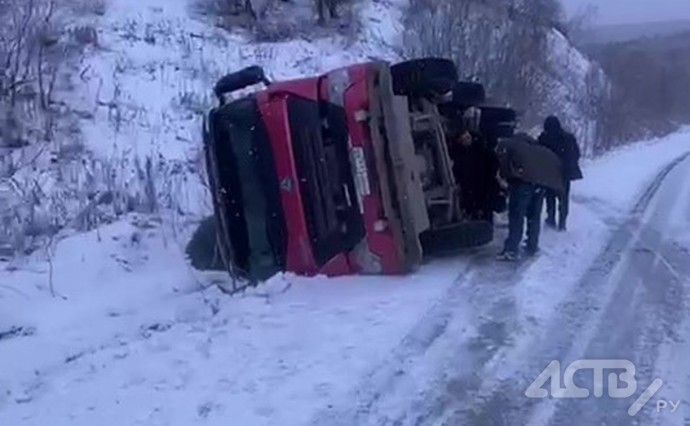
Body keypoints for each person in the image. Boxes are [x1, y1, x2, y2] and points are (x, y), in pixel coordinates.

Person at [495, 133, 564, 261]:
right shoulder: (540, 150)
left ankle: (511, 249)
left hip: (522, 184)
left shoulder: (510, 144)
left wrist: (505, 179)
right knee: (534, 216)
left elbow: (503, 163)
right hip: (539, 186)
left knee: (516, 215)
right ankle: (532, 246)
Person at [538, 116, 583, 231]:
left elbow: (538, 155)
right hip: (564, 173)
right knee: (563, 199)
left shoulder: (543, 138)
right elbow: (576, 153)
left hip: (549, 173)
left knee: (550, 198)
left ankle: (551, 219)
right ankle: (562, 223)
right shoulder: (568, 138)